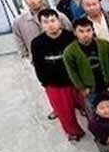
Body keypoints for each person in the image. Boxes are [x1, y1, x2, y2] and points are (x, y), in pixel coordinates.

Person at [30, 9, 85, 141]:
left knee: (86, 105)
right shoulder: (37, 43)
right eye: (46, 22)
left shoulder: (70, 37)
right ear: (41, 25)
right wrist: (45, 82)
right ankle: (73, 132)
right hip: (55, 84)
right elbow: (38, 65)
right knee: (64, 112)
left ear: (59, 21)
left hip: (75, 81)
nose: (50, 25)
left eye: (53, 20)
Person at [63, 17, 109, 115]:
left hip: (108, 85)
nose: (85, 34)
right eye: (81, 31)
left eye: (88, 30)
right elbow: (72, 73)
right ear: (75, 32)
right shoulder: (70, 51)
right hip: (90, 90)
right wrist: (82, 88)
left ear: (93, 30)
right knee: (94, 113)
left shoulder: (104, 44)